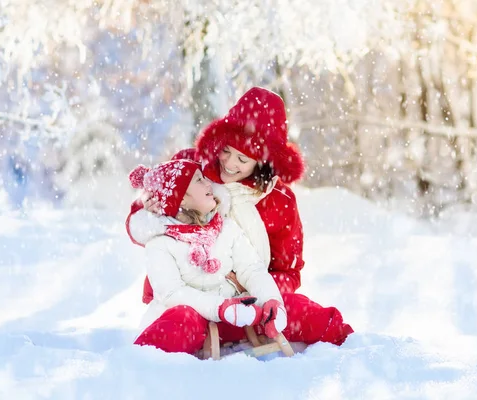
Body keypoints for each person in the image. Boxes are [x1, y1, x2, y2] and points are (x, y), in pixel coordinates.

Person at [128, 159, 353, 354]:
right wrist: (220, 307)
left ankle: (349, 342)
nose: (208, 183)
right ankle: (140, 364)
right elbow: (171, 293)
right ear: (181, 199)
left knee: (296, 306)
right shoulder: (160, 243)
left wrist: (271, 301)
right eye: (198, 180)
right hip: (197, 321)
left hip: (240, 317)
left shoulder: (225, 228)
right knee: (178, 320)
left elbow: (251, 269)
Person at [126, 87, 306, 304]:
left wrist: (252, 287)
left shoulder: (279, 201)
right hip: (180, 300)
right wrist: (148, 211)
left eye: (242, 159)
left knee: (303, 311)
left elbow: (289, 272)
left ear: (262, 163)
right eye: (226, 150)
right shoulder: (189, 167)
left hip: (246, 306)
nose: (229, 163)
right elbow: (139, 226)